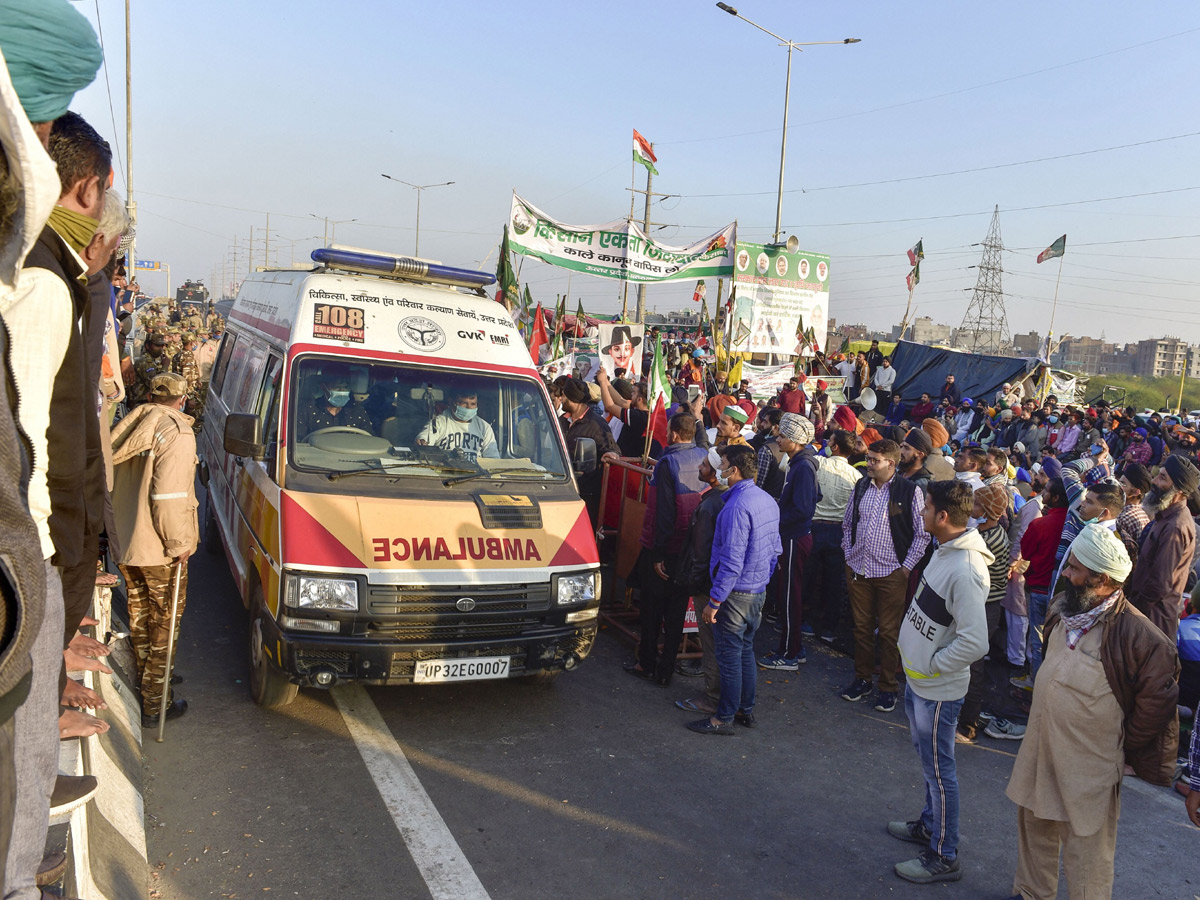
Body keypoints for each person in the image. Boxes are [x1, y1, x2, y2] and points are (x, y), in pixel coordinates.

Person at [1003, 525, 1178, 900]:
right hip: (1040, 744)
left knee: (1088, 848)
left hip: (1090, 763)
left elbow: (1156, 707)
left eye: (1076, 569)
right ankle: (1031, 893)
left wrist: (1120, 750)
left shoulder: (1142, 637)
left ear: (1101, 580)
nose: (1066, 574)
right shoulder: (1063, 608)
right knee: (1034, 823)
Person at [890, 480, 989, 885]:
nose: (922, 513)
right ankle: (930, 827)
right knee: (931, 766)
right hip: (920, 684)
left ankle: (944, 856)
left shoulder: (966, 568)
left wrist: (933, 665)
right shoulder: (944, 550)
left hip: (937, 690)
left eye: (927, 507)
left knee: (939, 773)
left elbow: (975, 641)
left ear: (943, 516)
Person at [109, 372, 198, 727]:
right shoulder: (177, 432)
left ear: (150, 395)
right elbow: (169, 499)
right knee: (164, 625)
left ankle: (149, 679)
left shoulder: (132, 424)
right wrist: (180, 544)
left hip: (129, 541)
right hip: (159, 546)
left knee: (141, 615)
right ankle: (156, 703)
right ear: (183, 399)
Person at [688, 445, 781, 735]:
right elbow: (774, 550)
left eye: (724, 463)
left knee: (729, 656)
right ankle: (744, 709)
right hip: (756, 592)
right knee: (744, 652)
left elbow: (731, 560)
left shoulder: (736, 507)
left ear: (734, 471)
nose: (720, 468)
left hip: (735, 595)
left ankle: (723, 717)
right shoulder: (766, 500)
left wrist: (714, 601)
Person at [841, 439, 930, 712]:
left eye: (873, 460)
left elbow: (922, 533)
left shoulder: (909, 491)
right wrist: (848, 551)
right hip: (858, 569)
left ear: (891, 463)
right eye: (868, 459)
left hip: (892, 572)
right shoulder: (861, 486)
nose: (868, 464)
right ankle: (862, 679)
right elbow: (847, 523)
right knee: (862, 629)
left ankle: (888, 686)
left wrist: (906, 568)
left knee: (890, 633)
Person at [624, 414, 707, 686]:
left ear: (672, 434)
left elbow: (664, 513)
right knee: (676, 614)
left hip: (664, 547)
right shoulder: (704, 457)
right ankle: (666, 669)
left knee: (651, 611)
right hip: (690, 548)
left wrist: (658, 554)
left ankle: (647, 663)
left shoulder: (667, 462)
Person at [759, 413, 818, 671]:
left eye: (782, 436)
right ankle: (793, 647)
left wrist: (776, 518)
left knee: (789, 597)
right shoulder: (798, 463)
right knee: (786, 594)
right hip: (791, 536)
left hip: (795, 538)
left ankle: (789, 653)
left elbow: (804, 508)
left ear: (794, 440)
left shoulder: (803, 466)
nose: (777, 439)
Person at [673, 448, 729, 717]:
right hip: (722, 584)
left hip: (709, 586)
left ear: (716, 473)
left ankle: (713, 697)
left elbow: (701, 551)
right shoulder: (727, 498)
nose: (699, 467)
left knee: (712, 644)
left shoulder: (710, 505)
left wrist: (693, 585)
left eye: (705, 464)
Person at [956, 484, 1010, 743]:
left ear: (987, 511)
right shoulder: (986, 531)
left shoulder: (988, 539)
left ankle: (968, 725)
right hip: (982, 604)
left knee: (972, 665)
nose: (971, 508)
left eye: (976, 504)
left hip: (985, 607)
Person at [1125, 455, 1198, 641]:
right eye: (1158, 475)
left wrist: (1133, 611)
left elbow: (1159, 584)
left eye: (1163, 478)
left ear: (1179, 491)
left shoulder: (1175, 526)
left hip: (1152, 621)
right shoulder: (1165, 518)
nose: (1154, 481)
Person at [559, 377, 618, 525]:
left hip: (585, 494)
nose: (561, 399)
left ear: (573, 398)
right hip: (561, 488)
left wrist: (610, 455)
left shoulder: (597, 424)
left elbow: (612, 450)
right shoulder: (562, 420)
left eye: (564, 396)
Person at [300, 372, 375, 439]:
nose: (342, 391)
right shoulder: (308, 410)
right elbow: (298, 442)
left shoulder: (358, 411)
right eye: (337, 387)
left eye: (345, 388)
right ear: (323, 387)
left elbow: (369, 439)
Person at [1114, 462, 1151, 565]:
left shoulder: (1123, 518)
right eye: (1119, 482)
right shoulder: (1142, 513)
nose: (1117, 487)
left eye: (1123, 484)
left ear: (1136, 492)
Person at [898, 427, 934, 491]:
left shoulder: (921, 485)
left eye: (906, 448)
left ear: (920, 455)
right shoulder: (899, 473)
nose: (901, 451)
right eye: (902, 446)